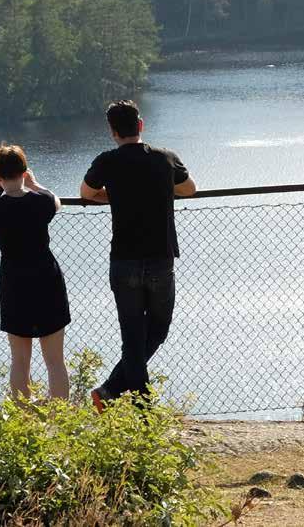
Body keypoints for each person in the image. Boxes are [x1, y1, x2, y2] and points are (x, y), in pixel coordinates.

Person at [80, 100, 196, 409]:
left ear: (113, 131)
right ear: (140, 125)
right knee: (157, 329)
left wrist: (115, 196)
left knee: (132, 337)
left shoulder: (107, 162)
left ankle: (113, 393)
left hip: (124, 260)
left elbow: (85, 194)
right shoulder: (165, 159)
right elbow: (189, 189)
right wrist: (158, 192)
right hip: (160, 257)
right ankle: (139, 409)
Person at [0, 144, 70, 399]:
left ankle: (23, 420)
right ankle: (61, 421)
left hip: (14, 283)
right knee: (55, 362)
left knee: (19, 361)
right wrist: (35, 183)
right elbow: (56, 201)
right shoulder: (40, 202)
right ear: (24, 171)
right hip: (47, 280)